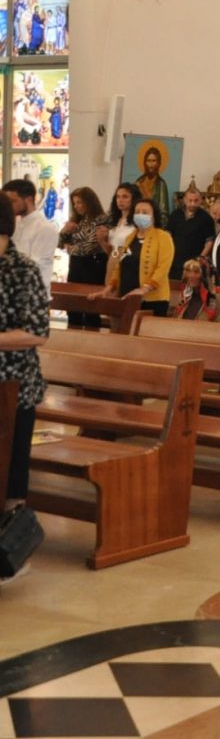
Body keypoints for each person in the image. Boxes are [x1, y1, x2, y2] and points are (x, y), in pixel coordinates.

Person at [0, 198, 49, 583]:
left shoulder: (23, 270)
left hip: (14, 387)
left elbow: (37, 332)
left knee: (11, 473)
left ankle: (11, 548)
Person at [99, 199, 175, 317]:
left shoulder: (163, 237)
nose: (140, 215)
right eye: (137, 212)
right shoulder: (130, 237)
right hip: (127, 296)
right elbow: (119, 266)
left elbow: (163, 268)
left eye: (145, 212)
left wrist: (144, 289)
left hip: (152, 299)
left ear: (154, 216)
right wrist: (109, 288)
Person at [58, 187, 110, 328]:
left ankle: (92, 337)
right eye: (74, 203)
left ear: (89, 202)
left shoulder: (101, 219)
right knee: (73, 305)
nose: (77, 206)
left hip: (93, 264)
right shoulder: (77, 220)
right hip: (76, 265)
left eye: (80, 202)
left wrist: (69, 247)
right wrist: (65, 231)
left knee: (90, 307)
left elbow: (87, 248)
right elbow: (59, 243)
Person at [3, 179, 54, 291]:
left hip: (34, 292)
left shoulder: (45, 228)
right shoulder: (14, 222)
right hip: (13, 288)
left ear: (29, 199)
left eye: (13, 201)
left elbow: (35, 265)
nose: (9, 206)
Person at [166, 186, 215, 279]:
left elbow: (209, 241)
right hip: (174, 261)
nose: (193, 204)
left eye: (196, 201)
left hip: (194, 263)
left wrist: (200, 259)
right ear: (184, 200)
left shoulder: (206, 218)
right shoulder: (175, 214)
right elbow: (168, 235)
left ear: (201, 200)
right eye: (190, 200)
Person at [134, 145, 173, 222]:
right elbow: (133, 206)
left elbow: (164, 213)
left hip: (154, 223)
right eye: (148, 161)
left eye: (154, 161)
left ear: (158, 163)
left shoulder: (161, 184)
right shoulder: (138, 182)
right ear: (145, 162)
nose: (151, 165)